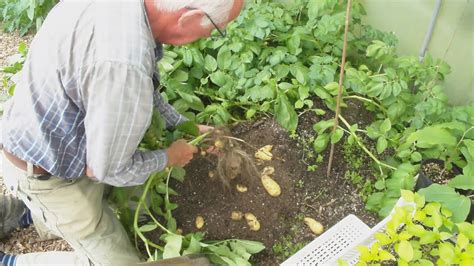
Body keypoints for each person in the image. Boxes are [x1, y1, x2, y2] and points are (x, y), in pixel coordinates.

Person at [0, 0, 244, 265]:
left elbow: (144, 91)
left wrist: (185, 126)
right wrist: (168, 158)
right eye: (215, 29)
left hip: (56, 141)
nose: (210, 35)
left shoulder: (130, 13)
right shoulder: (123, 65)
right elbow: (106, 170)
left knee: (101, 197)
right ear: (188, 18)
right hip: (46, 171)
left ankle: (25, 213)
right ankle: (12, 259)